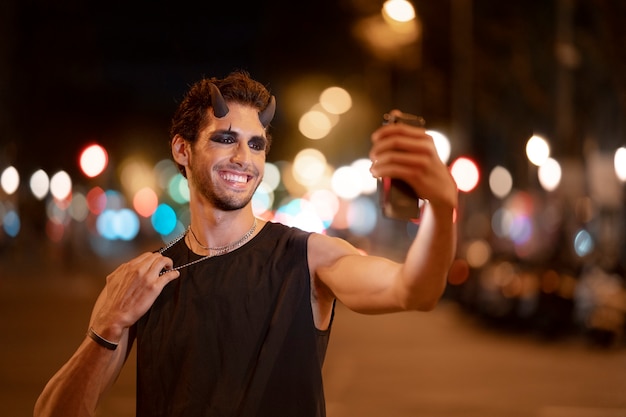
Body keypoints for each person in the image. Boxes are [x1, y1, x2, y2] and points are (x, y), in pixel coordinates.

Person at [34, 70, 458, 417]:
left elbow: (414, 290)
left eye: (256, 144)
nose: (244, 157)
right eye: (225, 138)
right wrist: (106, 329)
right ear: (182, 149)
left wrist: (441, 206)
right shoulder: (145, 280)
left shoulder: (307, 258)